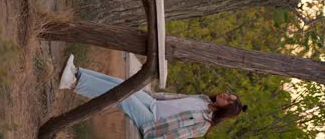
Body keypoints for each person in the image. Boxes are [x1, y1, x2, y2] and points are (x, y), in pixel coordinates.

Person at [59, 54, 248, 139]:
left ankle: (71, 83)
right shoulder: (203, 99)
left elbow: (176, 135)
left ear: (227, 109)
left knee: (125, 97)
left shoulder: (203, 124)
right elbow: (174, 99)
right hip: (152, 103)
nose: (225, 95)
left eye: (229, 99)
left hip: (151, 121)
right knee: (124, 86)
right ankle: (78, 74)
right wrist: (150, 96)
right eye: (229, 94)